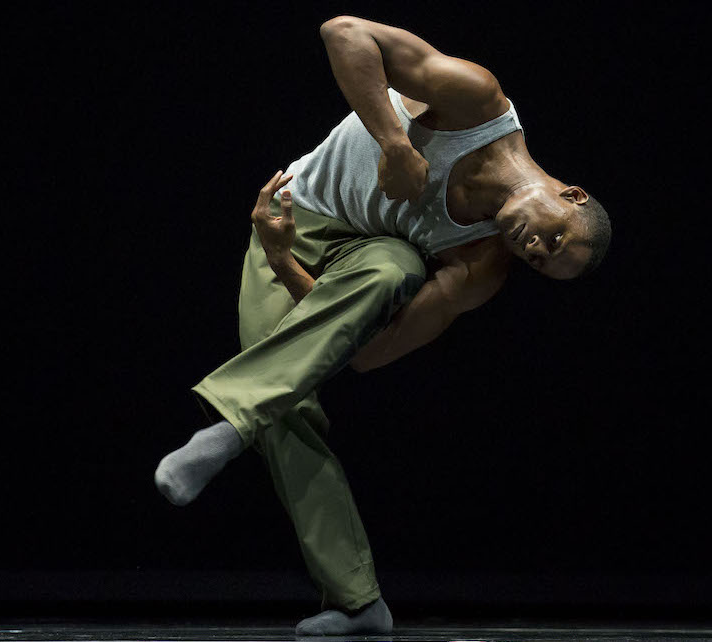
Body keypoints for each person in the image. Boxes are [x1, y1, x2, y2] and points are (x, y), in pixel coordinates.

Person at [154, 15, 611, 636]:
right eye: (554, 236)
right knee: (286, 404)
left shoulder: (480, 264)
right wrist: (396, 143)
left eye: (540, 261)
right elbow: (343, 32)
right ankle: (359, 602)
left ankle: (231, 425)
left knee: (395, 265)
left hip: (346, 256)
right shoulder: (479, 103)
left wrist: (284, 261)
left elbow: (367, 353)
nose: (535, 246)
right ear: (573, 194)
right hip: (287, 214)